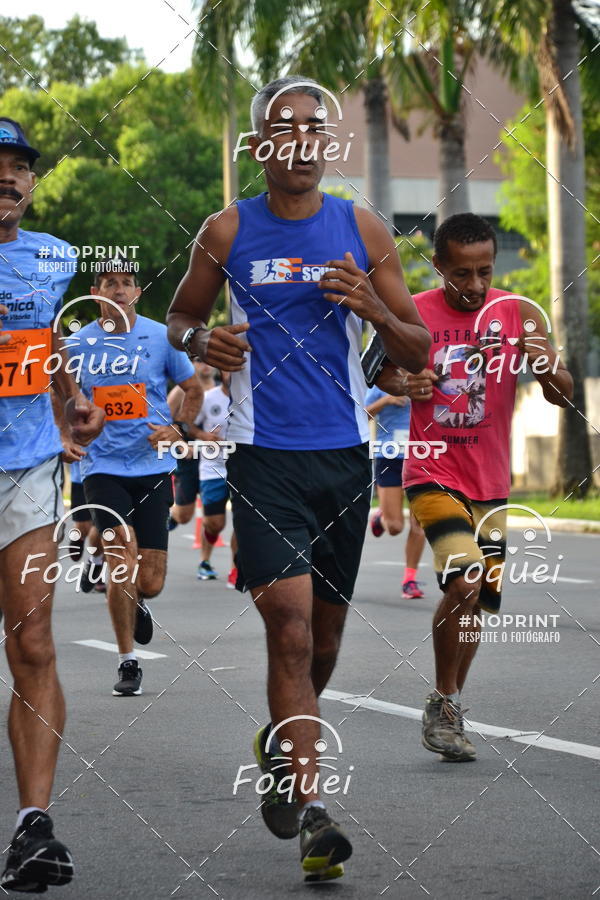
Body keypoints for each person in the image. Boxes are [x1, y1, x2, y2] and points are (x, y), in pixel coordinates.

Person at [167, 76, 430, 880]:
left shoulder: (360, 226)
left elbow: (416, 348)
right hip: (262, 457)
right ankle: (315, 810)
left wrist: (376, 311)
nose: (302, 143)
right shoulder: (225, 230)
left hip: (346, 455)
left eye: (315, 130)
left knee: (325, 639)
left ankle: (286, 752)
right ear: (260, 146)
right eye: (284, 130)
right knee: (287, 630)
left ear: (326, 142)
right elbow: (181, 317)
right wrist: (201, 341)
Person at [401, 213, 573, 762]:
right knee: (466, 578)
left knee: (472, 601)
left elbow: (561, 392)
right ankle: (445, 707)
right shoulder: (413, 312)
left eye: (484, 272)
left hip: (492, 484)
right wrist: (408, 381)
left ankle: (445, 703)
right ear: (438, 267)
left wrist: (547, 368)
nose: (474, 285)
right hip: (431, 471)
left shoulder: (518, 312)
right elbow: (376, 371)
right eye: (461, 274)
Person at [0, 118, 104, 892]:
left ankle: (33, 826)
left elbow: (41, 342)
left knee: (32, 644)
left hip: (25, 469)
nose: (8, 177)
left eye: (19, 167)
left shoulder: (52, 257)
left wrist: (73, 401)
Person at [74, 261, 202, 697]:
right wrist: (68, 431)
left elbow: (194, 389)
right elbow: (60, 397)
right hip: (102, 467)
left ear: (138, 292)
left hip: (152, 468)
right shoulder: (79, 344)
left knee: (150, 581)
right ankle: (128, 661)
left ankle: (139, 600)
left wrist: (178, 429)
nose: (120, 290)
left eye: (127, 283)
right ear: (96, 292)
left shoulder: (158, 338)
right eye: (111, 283)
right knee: (119, 561)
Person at [365, 373, 426, 599]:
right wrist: (387, 399)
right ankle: (381, 517)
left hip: (421, 457)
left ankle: (410, 579)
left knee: (419, 524)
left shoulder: (426, 378)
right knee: (395, 527)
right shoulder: (382, 379)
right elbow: (360, 415)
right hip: (389, 455)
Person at [193, 370, 237, 586]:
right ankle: (205, 561)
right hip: (213, 467)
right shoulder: (209, 397)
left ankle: (236, 569)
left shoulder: (255, 397)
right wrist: (203, 436)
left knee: (243, 522)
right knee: (214, 524)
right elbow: (188, 424)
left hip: (244, 469)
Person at [167, 361, 213, 531]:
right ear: (191, 364)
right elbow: (165, 420)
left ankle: (206, 556)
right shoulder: (181, 390)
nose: (206, 365)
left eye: (207, 360)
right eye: (200, 361)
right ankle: (172, 514)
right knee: (184, 516)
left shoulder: (222, 389)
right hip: (189, 457)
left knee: (214, 515)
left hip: (214, 459)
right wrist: (180, 444)